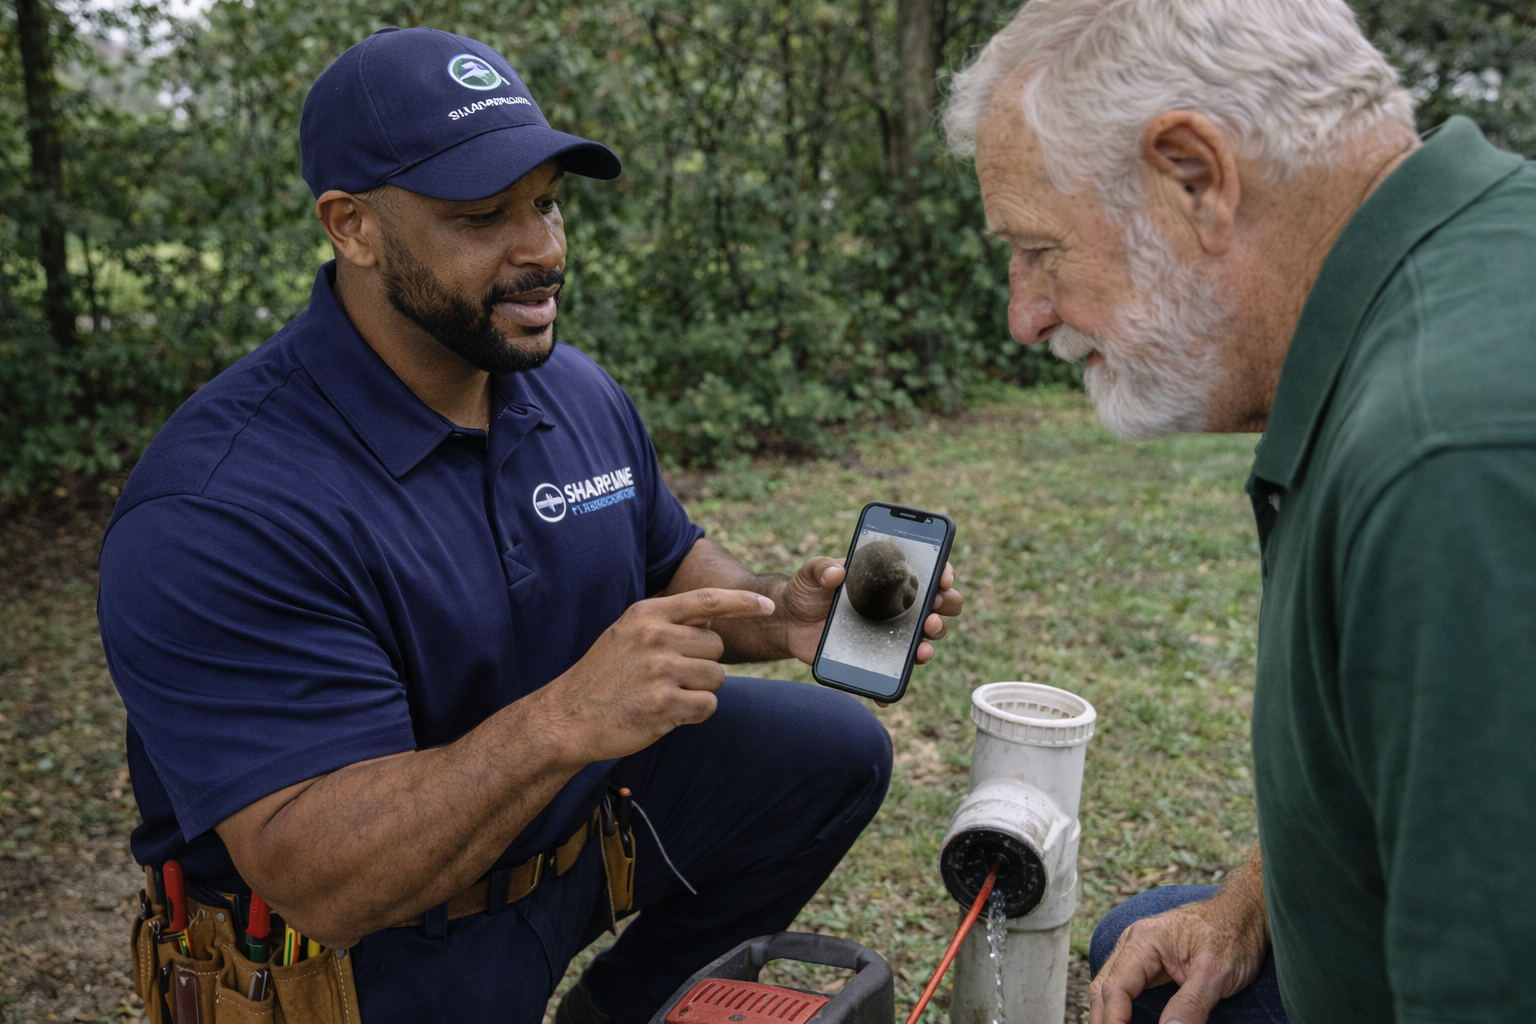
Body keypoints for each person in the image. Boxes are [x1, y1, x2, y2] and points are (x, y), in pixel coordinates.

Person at [97, 27, 962, 1022]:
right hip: (363, 962)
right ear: (353, 226)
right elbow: (324, 881)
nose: (544, 249)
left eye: (547, 202)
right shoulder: (220, 505)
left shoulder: (569, 391)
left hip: (564, 842)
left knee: (829, 755)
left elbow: (665, 559)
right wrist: (567, 718)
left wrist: (778, 612)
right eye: (482, 216)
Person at [943, 0, 1536, 1021]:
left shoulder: (1446, 459)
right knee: (1145, 941)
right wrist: (1252, 900)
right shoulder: (1459, 262)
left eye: (1042, 248)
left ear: (1195, 177)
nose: (1025, 315)